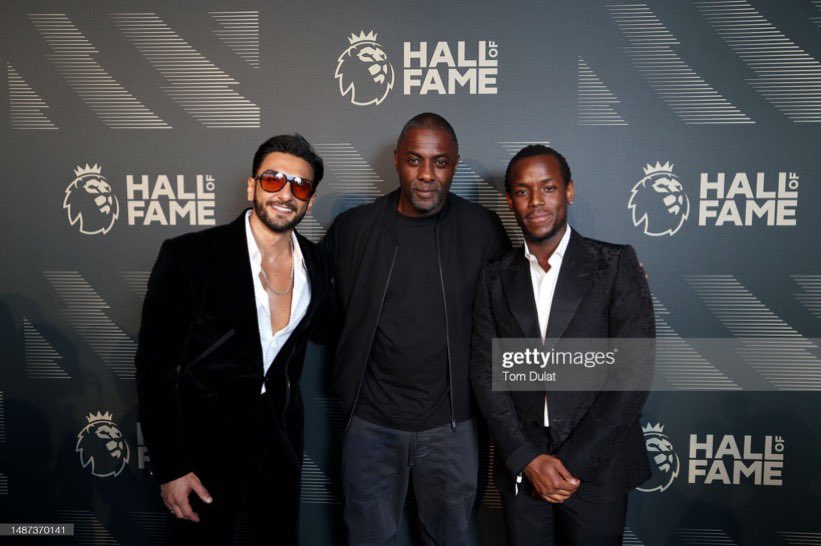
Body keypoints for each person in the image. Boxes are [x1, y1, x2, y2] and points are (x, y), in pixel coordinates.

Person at [135, 134, 333, 545]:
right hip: (203, 450)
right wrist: (171, 466)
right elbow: (154, 367)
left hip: (280, 447)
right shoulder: (190, 256)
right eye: (273, 179)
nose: (285, 194)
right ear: (252, 186)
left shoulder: (318, 264)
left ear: (310, 200)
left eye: (299, 186)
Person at [322, 112, 510, 545]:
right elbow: (307, 298)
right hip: (370, 425)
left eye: (440, 162)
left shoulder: (482, 229)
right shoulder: (354, 229)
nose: (427, 175)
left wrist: (599, 271)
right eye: (414, 160)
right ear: (396, 161)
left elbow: (520, 299)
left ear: (455, 164)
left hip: (452, 426)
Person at [470, 145, 655, 545]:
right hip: (524, 467)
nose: (536, 201)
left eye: (548, 187)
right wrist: (527, 458)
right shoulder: (495, 278)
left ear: (568, 191)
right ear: (510, 200)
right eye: (522, 191)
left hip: (597, 466)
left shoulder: (615, 265)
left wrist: (572, 464)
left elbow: (632, 374)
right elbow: (486, 374)